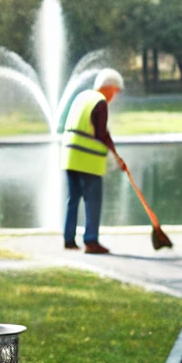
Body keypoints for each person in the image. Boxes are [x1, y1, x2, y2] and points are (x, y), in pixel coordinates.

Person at [61, 69, 127, 255]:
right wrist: (116, 155)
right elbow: (101, 133)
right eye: (115, 91)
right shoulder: (100, 102)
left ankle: (69, 239)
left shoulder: (82, 97)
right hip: (87, 159)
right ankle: (91, 241)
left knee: (73, 198)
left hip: (69, 154)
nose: (114, 96)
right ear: (109, 88)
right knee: (93, 200)